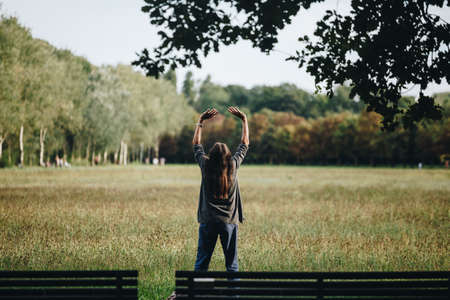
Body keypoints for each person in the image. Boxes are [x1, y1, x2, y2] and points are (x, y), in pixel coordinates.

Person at [192, 106, 249, 273]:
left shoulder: (206, 165)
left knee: (202, 263)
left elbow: (196, 145)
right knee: (232, 265)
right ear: (228, 156)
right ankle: (233, 295)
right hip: (229, 222)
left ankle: (197, 294)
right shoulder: (233, 165)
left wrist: (200, 122)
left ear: (211, 155)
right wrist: (244, 119)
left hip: (208, 221)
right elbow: (244, 144)